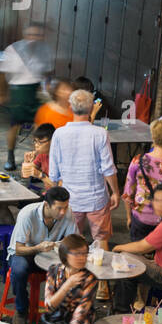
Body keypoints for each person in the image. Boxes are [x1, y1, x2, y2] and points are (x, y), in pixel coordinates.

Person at [49, 89, 119, 245]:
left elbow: (53, 172)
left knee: (72, 242)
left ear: (70, 107)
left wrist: (54, 195)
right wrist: (115, 192)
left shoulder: (59, 134)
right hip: (97, 198)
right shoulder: (100, 133)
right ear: (91, 108)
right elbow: (108, 168)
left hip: (70, 199)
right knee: (101, 240)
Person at [7, 187, 76, 324]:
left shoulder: (68, 213)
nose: (63, 212)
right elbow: (18, 249)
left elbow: (74, 241)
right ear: (46, 205)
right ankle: (21, 311)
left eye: (66, 207)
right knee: (19, 270)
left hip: (50, 256)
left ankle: (61, 314)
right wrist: (38, 248)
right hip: (26, 254)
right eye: (59, 208)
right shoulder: (27, 214)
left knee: (72, 268)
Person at [0, 23, 54, 170]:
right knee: (15, 125)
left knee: (39, 126)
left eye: (38, 35)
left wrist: (46, 90)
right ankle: (10, 156)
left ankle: (36, 159)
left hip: (36, 90)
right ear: (25, 35)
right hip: (19, 90)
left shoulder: (45, 49)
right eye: (31, 35)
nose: (34, 39)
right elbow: (1, 75)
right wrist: (0, 94)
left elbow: (47, 73)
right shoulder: (13, 49)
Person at [113, 183, 162, 310]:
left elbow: (143, 246)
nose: (156, 204)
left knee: (125, 265)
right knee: (128, 258)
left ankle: (121, 312)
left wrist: (118, 247)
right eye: (155, 200)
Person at [123, 119, 162, 241]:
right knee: (161, 256)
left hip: (140, 217)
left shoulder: (138, 160)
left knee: (137, 255)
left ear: (153, 136)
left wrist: (129, 217)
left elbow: (128, 192)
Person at [22, 123, 57, 192]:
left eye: (40, 142)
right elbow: (25, 176)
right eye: (35, 141)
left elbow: (60, 186)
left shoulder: (59, 158)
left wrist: (40, 175)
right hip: (48, 193)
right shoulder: (42, 155)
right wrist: (27, 163)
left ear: (52, 141)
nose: (36, 145)